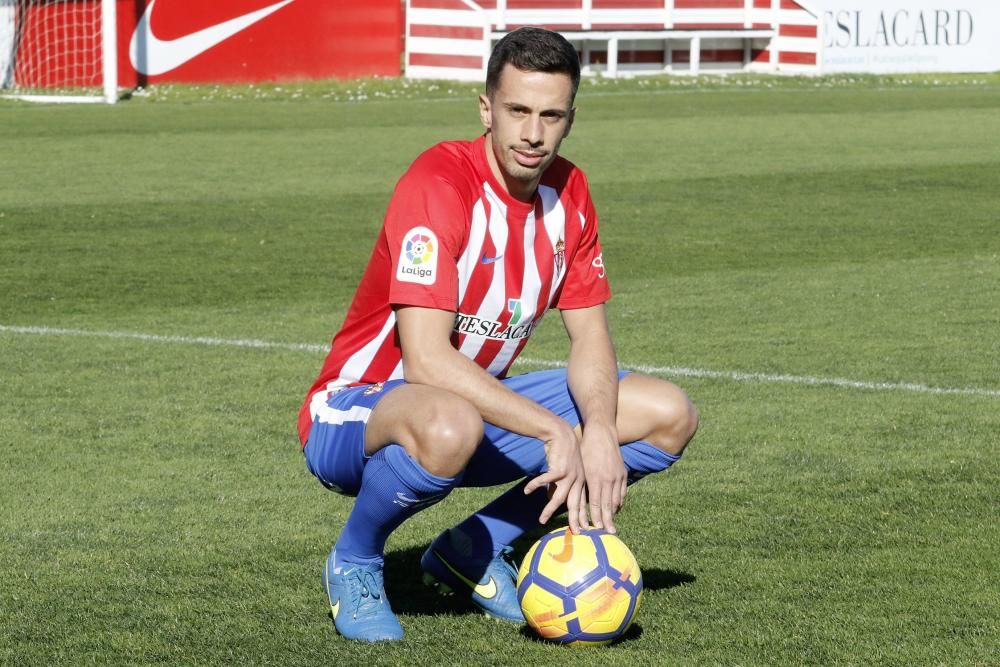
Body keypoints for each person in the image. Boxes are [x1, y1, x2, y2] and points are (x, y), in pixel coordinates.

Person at [297, 26, 699, 642]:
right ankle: (354, 560)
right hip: (357, 411)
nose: (532, 134)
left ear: (570, 119)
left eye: (550, 115)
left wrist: (596, 429)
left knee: (666, 413)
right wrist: (553, 428)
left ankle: (474, 547)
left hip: (472, 409)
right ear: (486, 109)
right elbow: (426, 360)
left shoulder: (571, 192)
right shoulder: (438, 186)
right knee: (448, 421)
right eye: (516, 111)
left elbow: (590, 335)